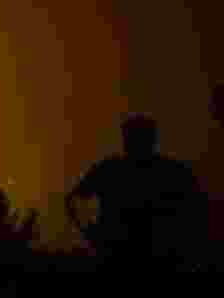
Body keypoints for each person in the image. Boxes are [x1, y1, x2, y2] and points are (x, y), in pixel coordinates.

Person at [66, 114, 208, 270]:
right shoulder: (170, 171)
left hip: (134, 255)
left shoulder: (111, 169)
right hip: (135, 255)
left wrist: (90, 232)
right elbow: (198, 208)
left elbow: (72, 200)